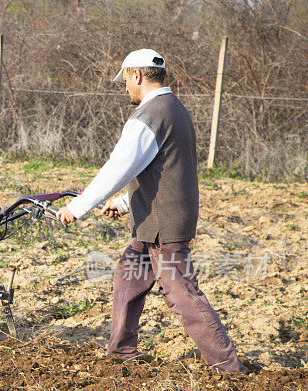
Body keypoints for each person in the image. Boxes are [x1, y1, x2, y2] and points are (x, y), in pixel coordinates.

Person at [56, 48, 247, 373]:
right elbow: (160, 171)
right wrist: (122, 202)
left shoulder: (149, 116)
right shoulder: (174, 109)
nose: (126, 88)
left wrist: (78, 206)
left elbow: (119, 167)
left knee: (181, 293)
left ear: (137, 75)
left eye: (126, 81)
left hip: (163, 226)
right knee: (127, 279)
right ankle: (120, 356)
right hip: (154, 221)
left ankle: (228, 368)